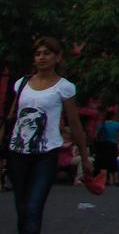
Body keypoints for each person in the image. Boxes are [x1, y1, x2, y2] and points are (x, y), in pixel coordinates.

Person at [6, 37, 94, 234]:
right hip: (18, 152)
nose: (42, 57)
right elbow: (13, 117)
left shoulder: (64, 87)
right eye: (38, 54)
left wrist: (85, 157)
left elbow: (75, 124)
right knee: (22, 209)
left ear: (57, 57)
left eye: (46, 53)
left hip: (45, 154)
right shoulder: (21, 84)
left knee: (33, 207)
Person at [94, 108, 119, 186]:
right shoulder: (117, 124)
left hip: (103, 144)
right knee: (113, 161)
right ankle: (115, 180)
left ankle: (106, 180)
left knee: (104, 162)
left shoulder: (102, 124)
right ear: (113, 116)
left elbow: (96, 135)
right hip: (113, 144)